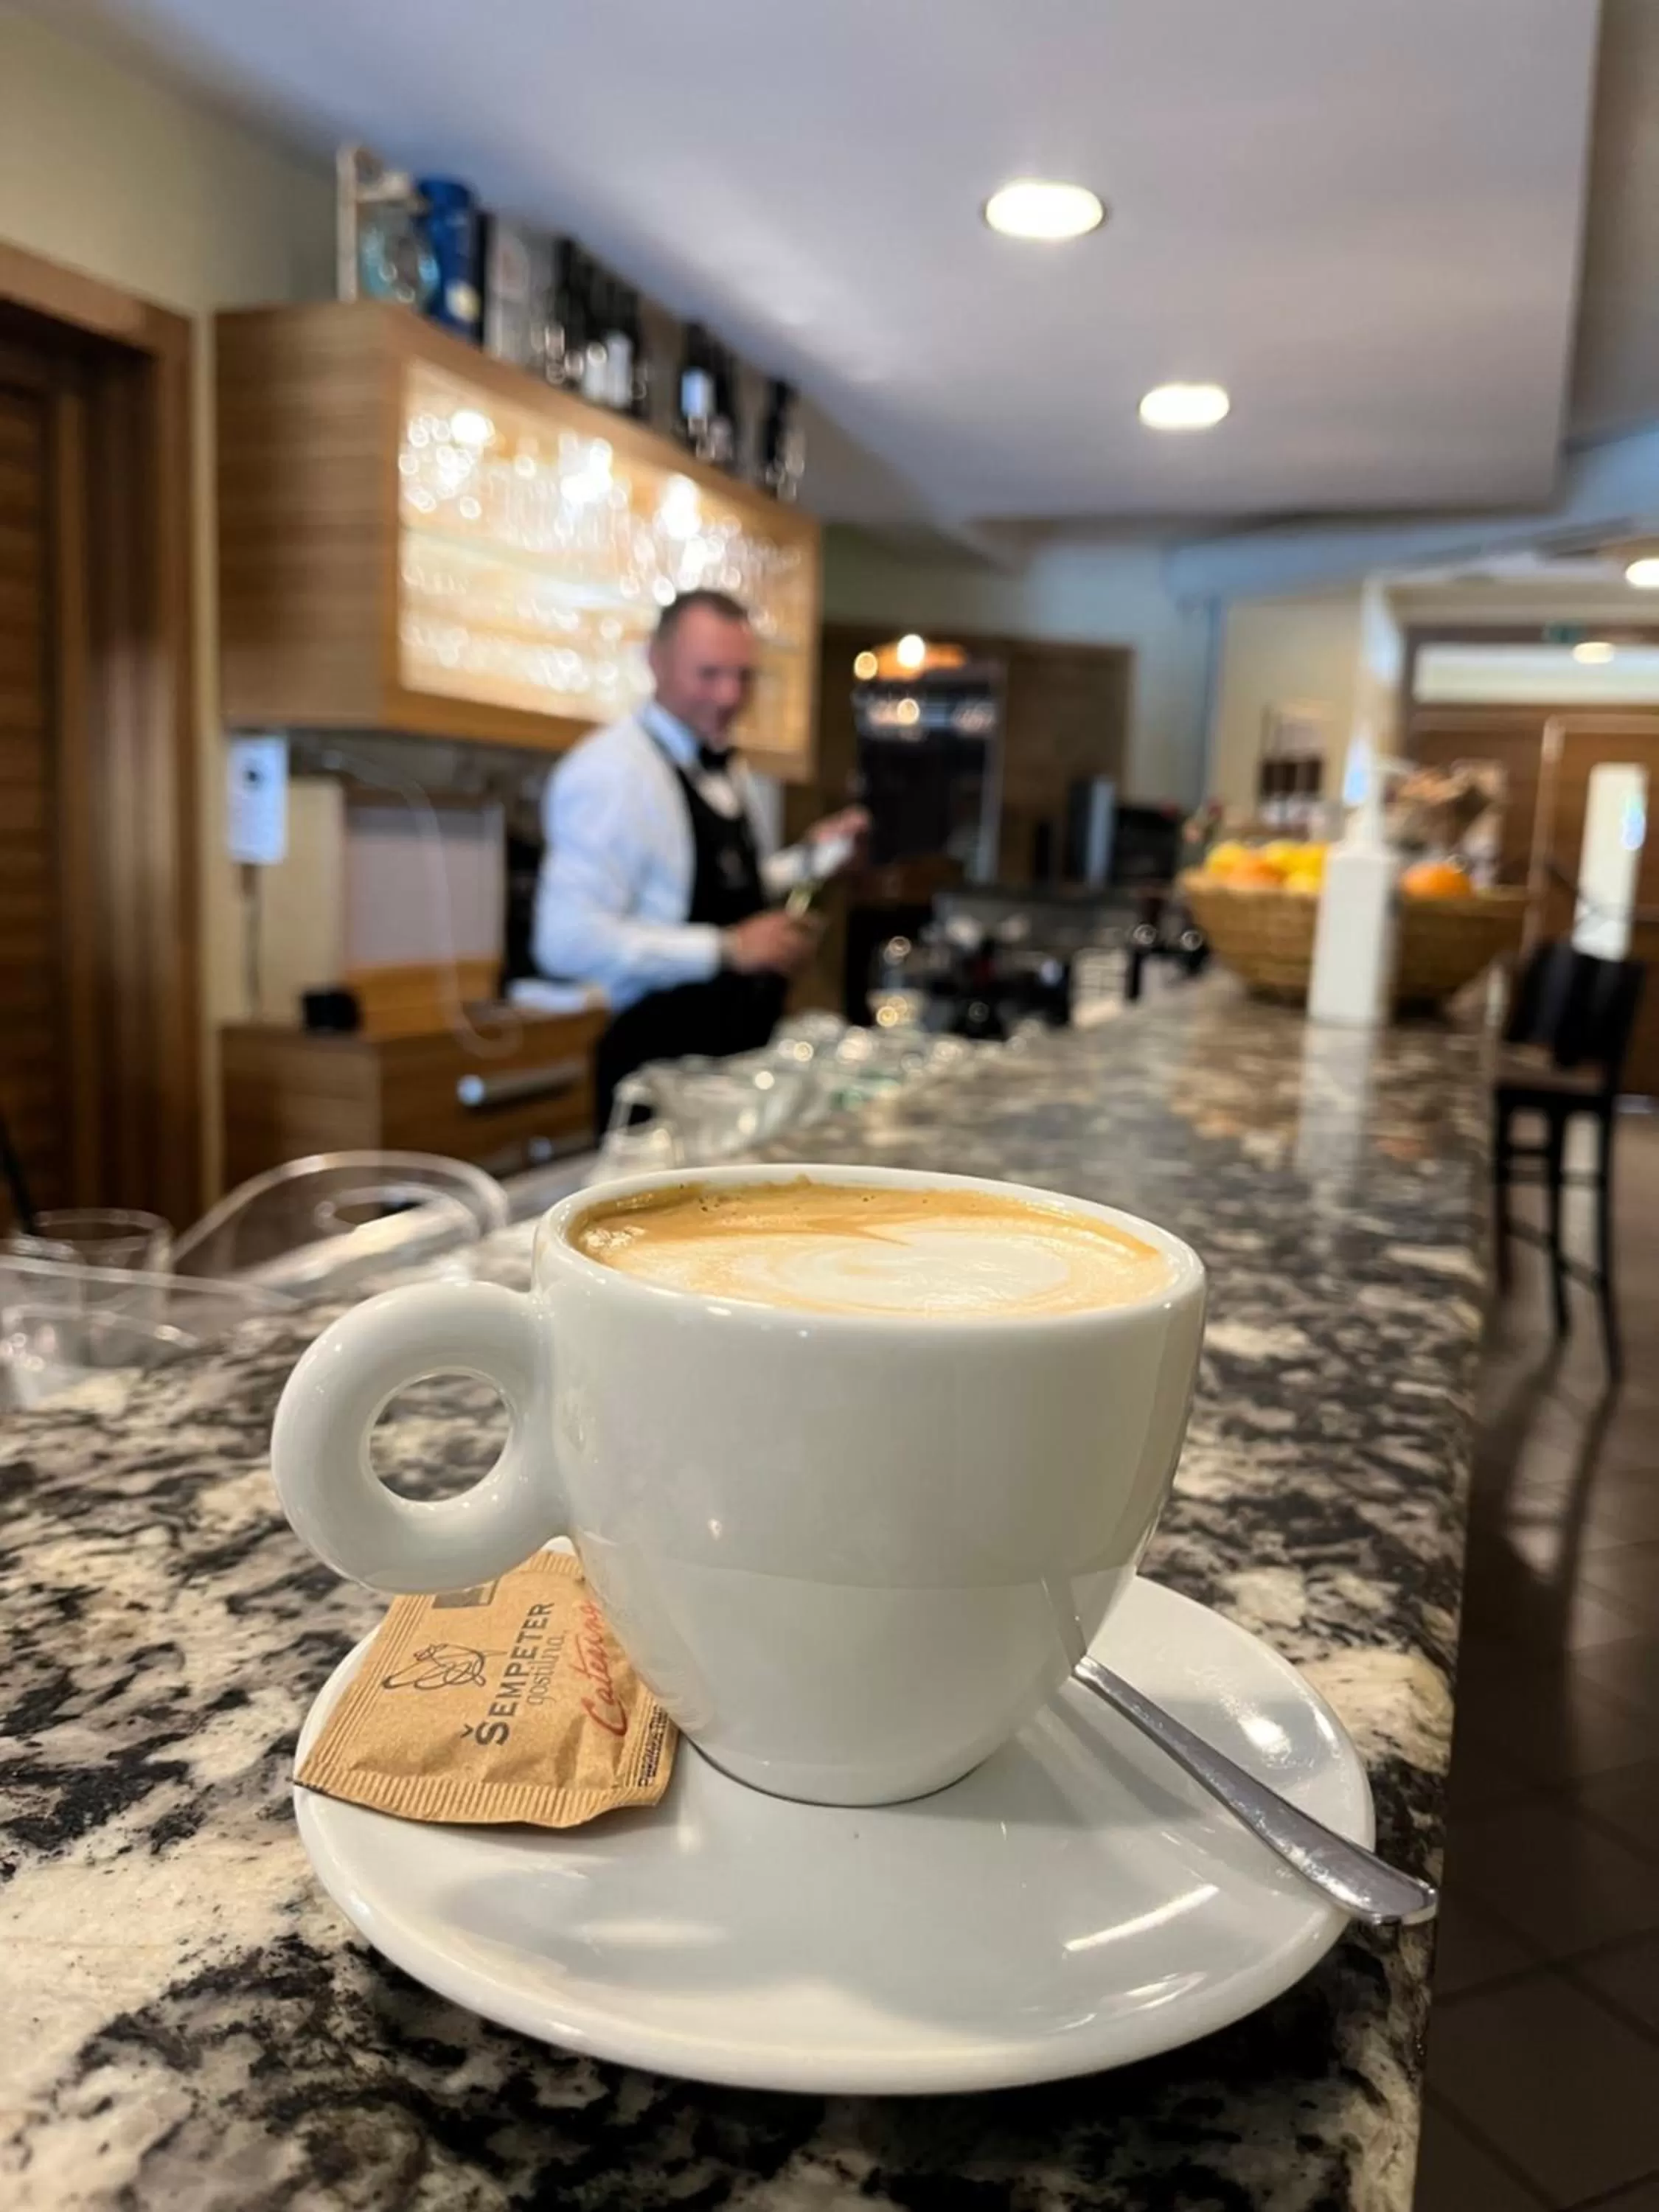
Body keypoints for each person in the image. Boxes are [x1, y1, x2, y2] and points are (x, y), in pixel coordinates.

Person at [532, 590, 866, 1133]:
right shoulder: (611, 772)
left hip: (729, 1078)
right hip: (655, 1080)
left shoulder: (726, 765)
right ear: (654, 661)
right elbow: (567, 940)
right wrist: (729, 949)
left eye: (744, 677)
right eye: (709, 674)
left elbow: (728, 887)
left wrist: (813, 857)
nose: (729, 695)